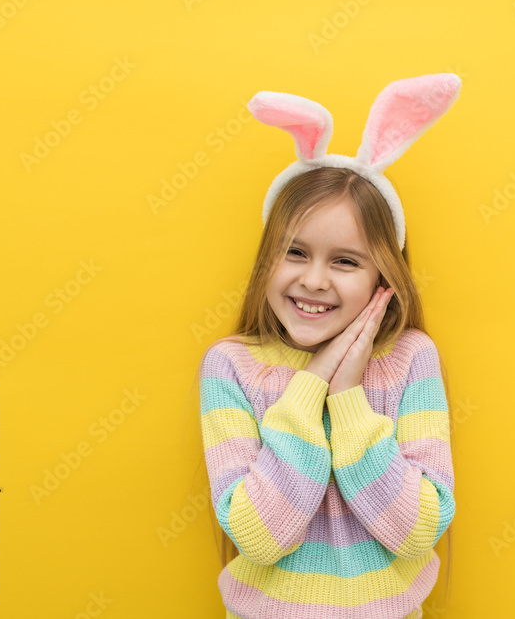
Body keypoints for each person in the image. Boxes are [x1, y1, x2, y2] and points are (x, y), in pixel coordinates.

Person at [198, 74, 462, 619]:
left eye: (344, 261)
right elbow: (262, 536)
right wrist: (311, 384)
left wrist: (347, 396)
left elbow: (415, 531)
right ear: (267, 259)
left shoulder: (412, 360)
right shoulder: (229, 366)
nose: (314, 280)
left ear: (382, 277)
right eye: (295, 252)